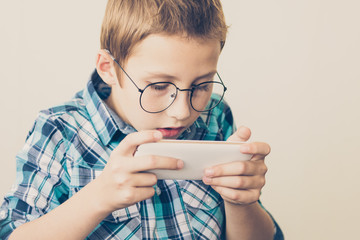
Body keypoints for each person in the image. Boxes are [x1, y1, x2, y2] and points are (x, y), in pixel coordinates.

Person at [0, 0, 283, 239]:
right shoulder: (60, 131)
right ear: (108, 68)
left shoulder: (216, 117)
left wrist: (241, 204)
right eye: (159, 87)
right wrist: (98, 197)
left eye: (201, 86)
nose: (182, 112)